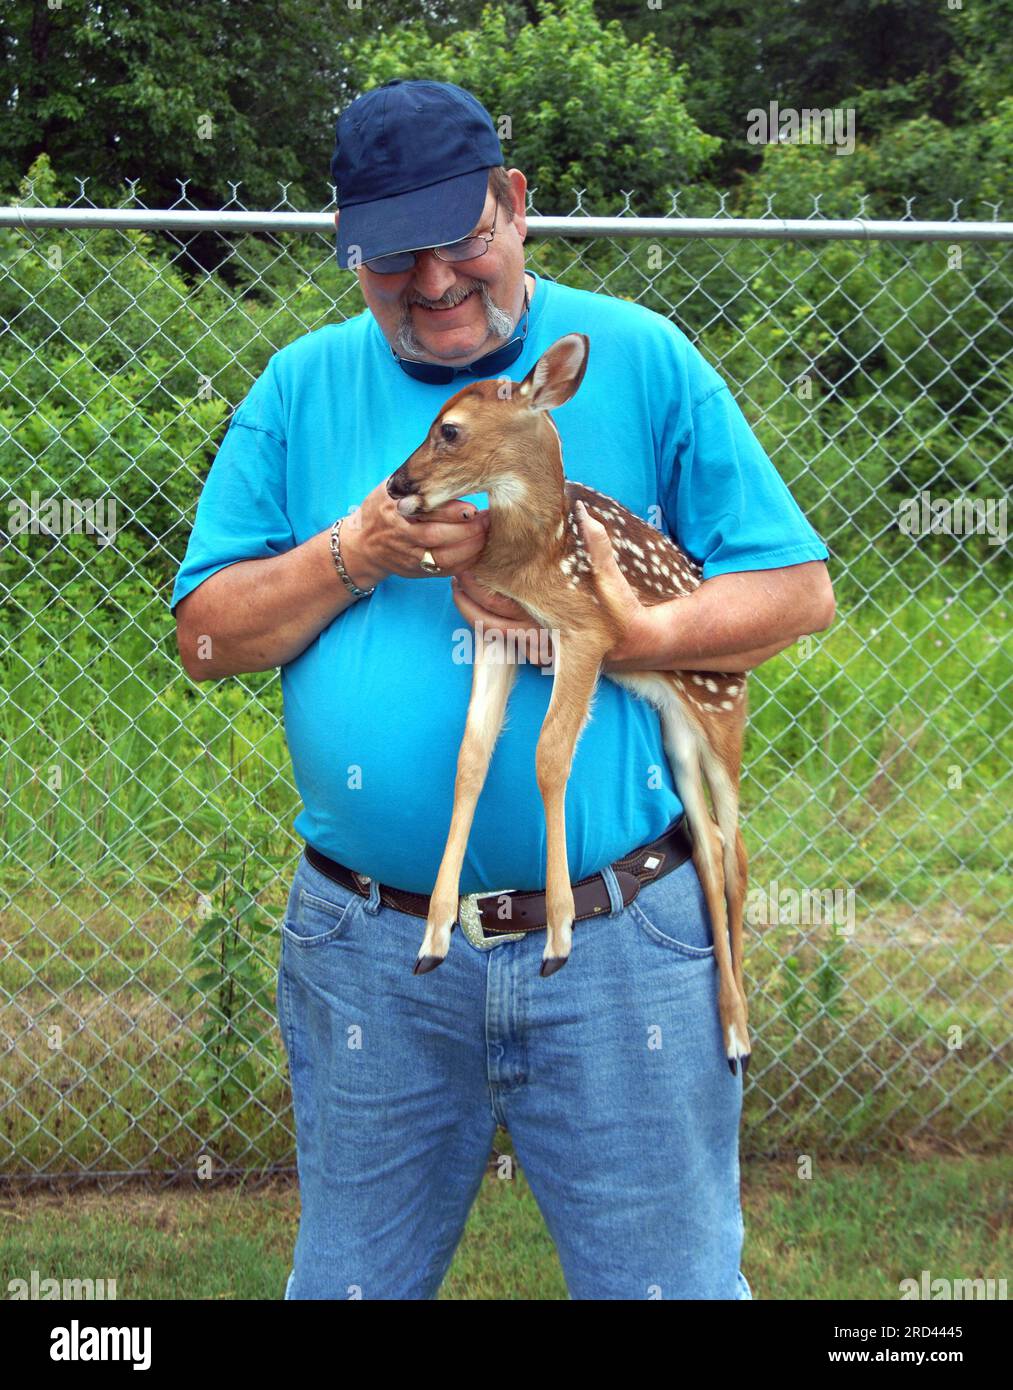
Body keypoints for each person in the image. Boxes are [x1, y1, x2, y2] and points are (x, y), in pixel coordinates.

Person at [172, 79, 834, 1300]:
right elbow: (206, 636)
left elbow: (796, 592)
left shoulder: (636, 357)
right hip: (367, 941)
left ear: (514, 205)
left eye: (458, 239)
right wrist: (349, 554)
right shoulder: (300, 388)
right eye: (389, 259)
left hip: (624, 937)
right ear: (350, 257)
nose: (431, 284)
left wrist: (615, 629)